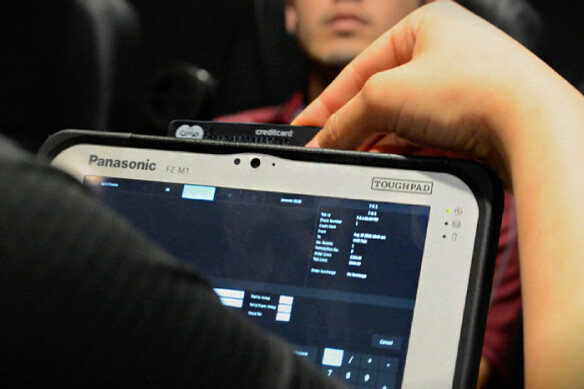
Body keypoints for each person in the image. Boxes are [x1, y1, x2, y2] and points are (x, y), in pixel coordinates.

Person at [217, 1, 522, 386]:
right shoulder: (222, 141)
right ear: (289, 13)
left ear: (421, 13)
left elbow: (461, 372)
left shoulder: (487, 186)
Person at [293, 0, 584, 387]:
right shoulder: (218, 130)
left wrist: (525, 111)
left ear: (419, 8)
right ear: (288, 12)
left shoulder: (496, 194)